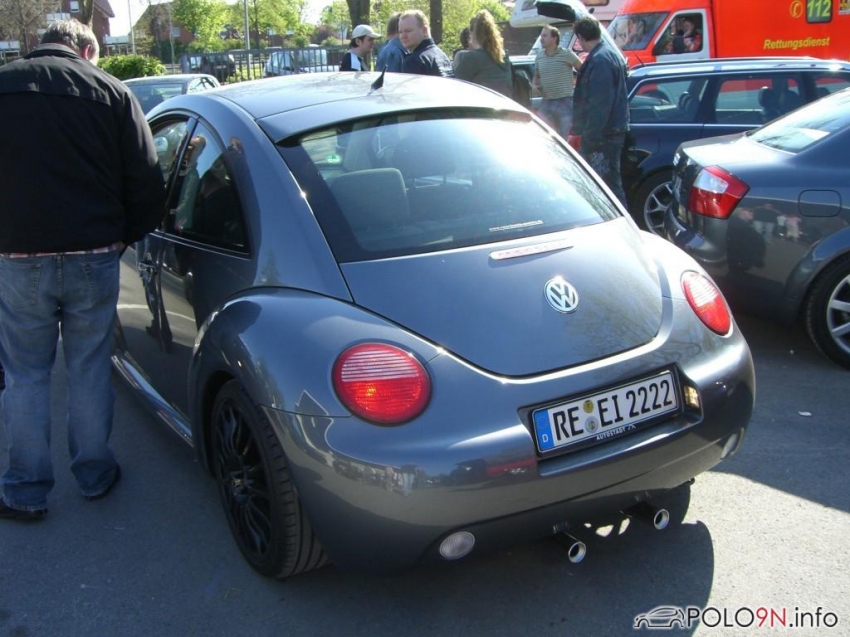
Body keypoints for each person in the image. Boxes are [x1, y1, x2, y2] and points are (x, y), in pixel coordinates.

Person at [0, 19, 166, 520]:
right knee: (89, 367)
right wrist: (123, 239)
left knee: (26, 374)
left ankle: (26, 490)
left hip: (19, 256)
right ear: (89, 50)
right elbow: (146, 180)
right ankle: (94, 474)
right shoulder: (113, 93)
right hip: (94, 253)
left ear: (38, 44)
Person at [570, 16, 629, 206]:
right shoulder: (608, 54)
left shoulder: (600, 60)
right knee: (607, 185)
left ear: (580, 37)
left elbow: (600, 104)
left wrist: (589, 137)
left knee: (607, 187)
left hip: (604, 136)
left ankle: (622, 220)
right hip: (609, 132)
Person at [532, 25, 582, 139]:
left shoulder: (566, 54)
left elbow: (583, 70)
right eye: (541, 36)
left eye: (545, 36)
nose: (541, 39)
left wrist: (580, 88)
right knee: (544, 134)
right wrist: (534, 85)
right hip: (547, 101)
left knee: (565, 135)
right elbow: (536, 76)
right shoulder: (539, 56)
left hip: (565, 101)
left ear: (554, 38)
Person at [454, 9, 512, 98]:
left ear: (472, 33)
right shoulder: (503, 57)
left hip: (480, 105)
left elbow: (457, 90)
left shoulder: (469, 58)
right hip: (504, 105)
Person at [398, 9, 454, 77]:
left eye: (408, 31)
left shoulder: (414, 61)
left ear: (424, 30)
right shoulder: (443, 56)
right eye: (400, 32)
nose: (403, 36)